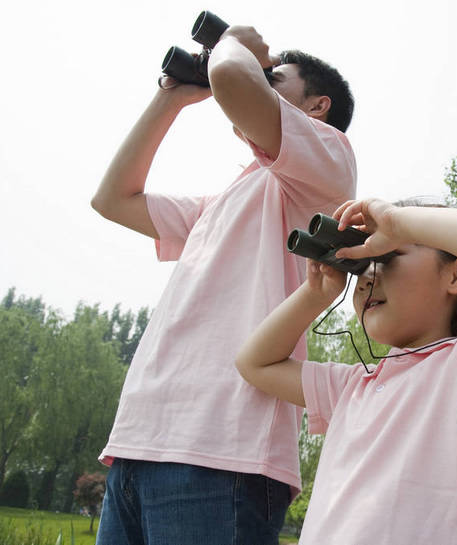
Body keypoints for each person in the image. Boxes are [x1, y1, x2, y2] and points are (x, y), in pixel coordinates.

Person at [90, 22, 356, 545]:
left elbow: (233, 78)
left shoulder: (328, 165)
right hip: (138, 444)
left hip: (225, 452)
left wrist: (236, 43)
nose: (260, 77)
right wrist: (172, 97)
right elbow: (112, 199)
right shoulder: (222, 202)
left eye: (273, 76)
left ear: (318, 107)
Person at [235, 197, 457, 544]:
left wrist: (397, 222)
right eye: (361, 266)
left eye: (387, 257)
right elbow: (254, 363)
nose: (366, 279)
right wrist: (314, 294)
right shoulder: (354, 386)